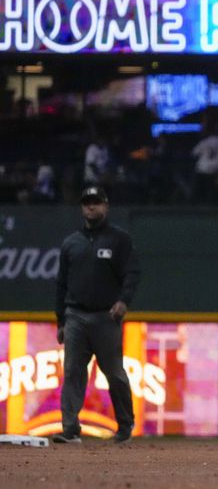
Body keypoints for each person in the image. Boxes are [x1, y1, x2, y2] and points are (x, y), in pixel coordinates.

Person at [53, 186, 141, 444]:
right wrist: (61, 320)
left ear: (106, 206)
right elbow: (60, 284)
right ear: (82, 207)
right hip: (76, 316)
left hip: (106, 317)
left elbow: (133, 272)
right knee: (72, 372)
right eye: (87, 203)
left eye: (96, 202)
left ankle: (125, 426)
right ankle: (70, 428)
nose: (91, 207)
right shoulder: (71, 243)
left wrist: (124, 300)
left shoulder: (119, 239)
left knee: (114, 374)